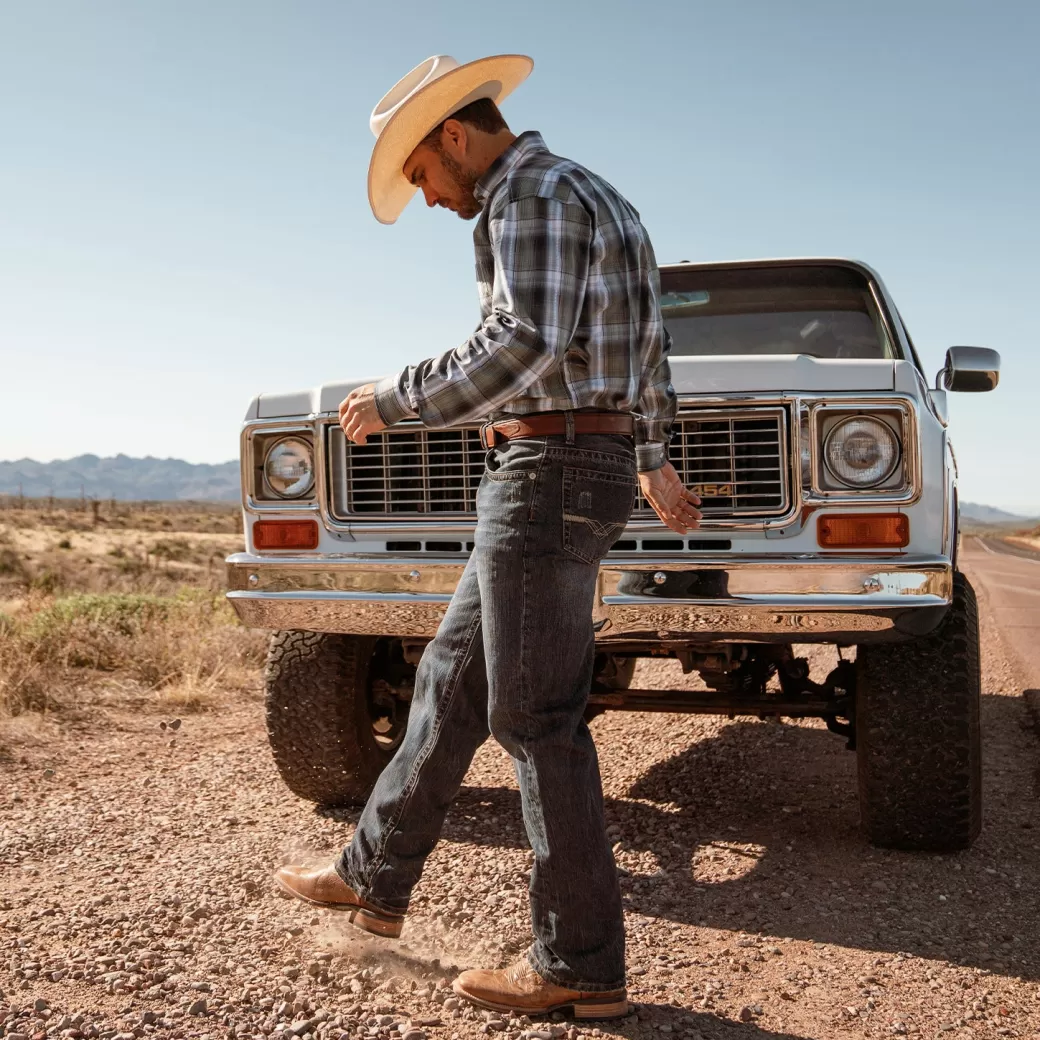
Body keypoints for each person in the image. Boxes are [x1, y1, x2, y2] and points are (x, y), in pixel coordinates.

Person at [274, 53, 701, 1019]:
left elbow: (522, 343)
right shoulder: (602, 196)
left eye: (423, 175)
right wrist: (651, 457)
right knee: (452, 680)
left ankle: (580, 968)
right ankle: (374, 876)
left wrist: (394, 400)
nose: (428, 199)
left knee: (538, 719)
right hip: (569, 470)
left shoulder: (529, 195)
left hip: (545, 475)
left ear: (454, 137)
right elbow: (648, 350)